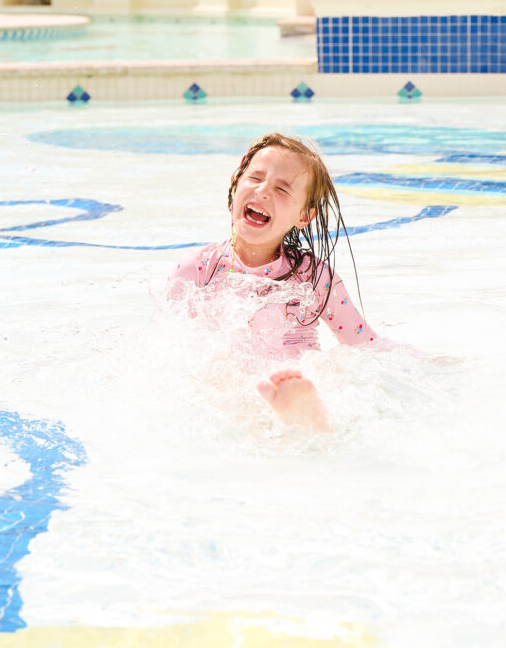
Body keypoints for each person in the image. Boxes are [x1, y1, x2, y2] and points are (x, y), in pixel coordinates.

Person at [167, 132, 390, 434]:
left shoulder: (314, 277)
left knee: (325, 376)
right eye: (255, 178)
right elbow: (170, 347)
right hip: (231, 389)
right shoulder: (196, 270)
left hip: (297, 379)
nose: (263, 191)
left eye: (282, 189)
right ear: (235, 184)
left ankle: (303, 411)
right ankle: (293, 417)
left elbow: (364, 343)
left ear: (304, 216)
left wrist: (434, 362)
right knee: (217, 382)